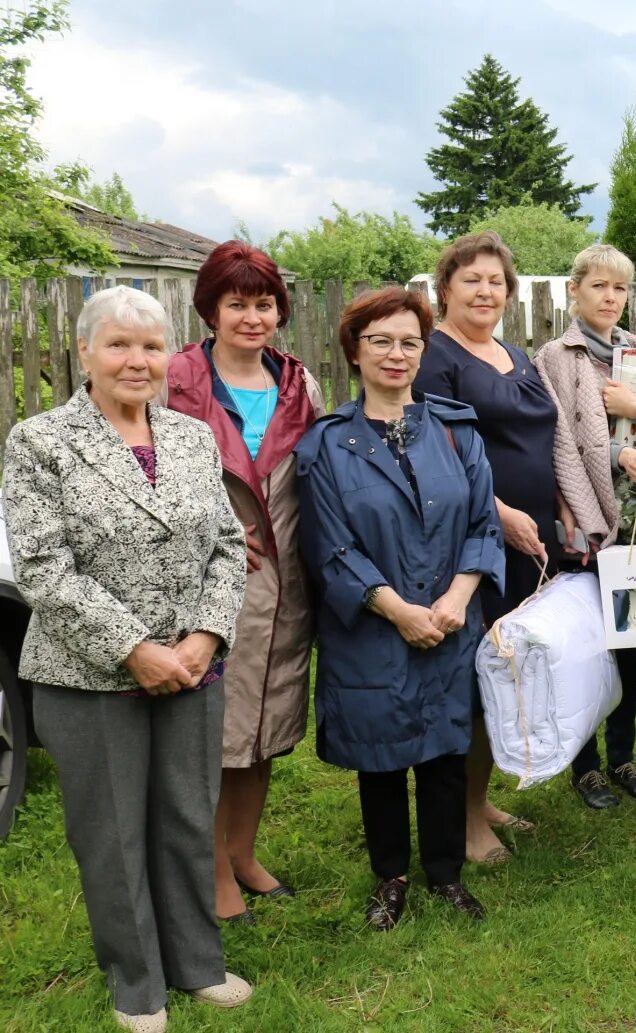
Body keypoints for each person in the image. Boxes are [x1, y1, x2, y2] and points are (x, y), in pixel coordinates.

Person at [2, 286, 251, 1033]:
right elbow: (42, 568)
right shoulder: (38, 442)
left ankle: (197, 962)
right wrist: (133, 649)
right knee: (111, 832)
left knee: (184, 816)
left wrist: (204, 636)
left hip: (191, 670)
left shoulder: (190, 437)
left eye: (150, 346)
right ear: (84, 353)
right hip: (90, 676)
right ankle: (136, 980)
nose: (136, 361)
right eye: (118, 344)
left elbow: (229, 546)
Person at [296, 287, 505, 930]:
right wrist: (398, 611)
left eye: (409, 341)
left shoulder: (455, 428)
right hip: (373, 629)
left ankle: (445, 875)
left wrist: (454, 600)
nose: (396, 354)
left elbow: (482, 524)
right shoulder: (327, 445)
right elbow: (332, 548)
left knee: (445, 750)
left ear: (423, 350)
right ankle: (390, 878)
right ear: (354, 353)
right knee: (380, 755)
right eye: (380, 341)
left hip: (449, 619)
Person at [165, 241, 321, 925]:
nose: (252, 317)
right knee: (215, 736)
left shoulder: (298, 384)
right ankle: (212, 873)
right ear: (210, 309)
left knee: (264, 727)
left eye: (264, 304)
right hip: (207, 587)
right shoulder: (175, 383)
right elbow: (143, 476)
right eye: (237, 304)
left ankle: (245, 853)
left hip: (285, 582)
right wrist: (210, 534)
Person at [413, 231, 556, 865]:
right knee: (475, 675)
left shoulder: (515, 354)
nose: (485, 291)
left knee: (509, 669)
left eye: (496, 281)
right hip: (475, 539)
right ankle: (466, 820)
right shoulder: (435, 357)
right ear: (445, 287)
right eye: (472, 279)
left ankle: (483, 796)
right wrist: (500, 516)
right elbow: (436, 451)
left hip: (533, 533)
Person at [534, 244, 636, 809]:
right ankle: (585, 766)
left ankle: (624, 754)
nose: (610, 298)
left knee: (627, 640)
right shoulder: (555, 357)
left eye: (620, 289)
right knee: (588, 644)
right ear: (574, 291)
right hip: (585, 518)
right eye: (599, 287)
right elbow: (558, 439)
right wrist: (613, 455)